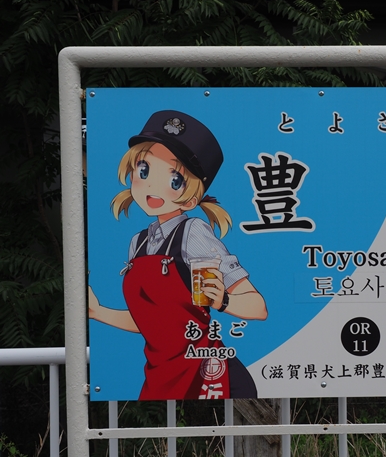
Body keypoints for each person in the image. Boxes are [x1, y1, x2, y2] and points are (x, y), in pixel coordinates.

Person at [89, 110, 267, 400]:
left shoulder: (193, 232)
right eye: (144, 170)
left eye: (175, 180)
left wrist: (223, 300)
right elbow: (152, 324)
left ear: (193, 197)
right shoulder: (138, 243)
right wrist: (97, 311)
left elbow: (257, 307)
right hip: (161, 373)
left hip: (206, 372)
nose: (152, 186)